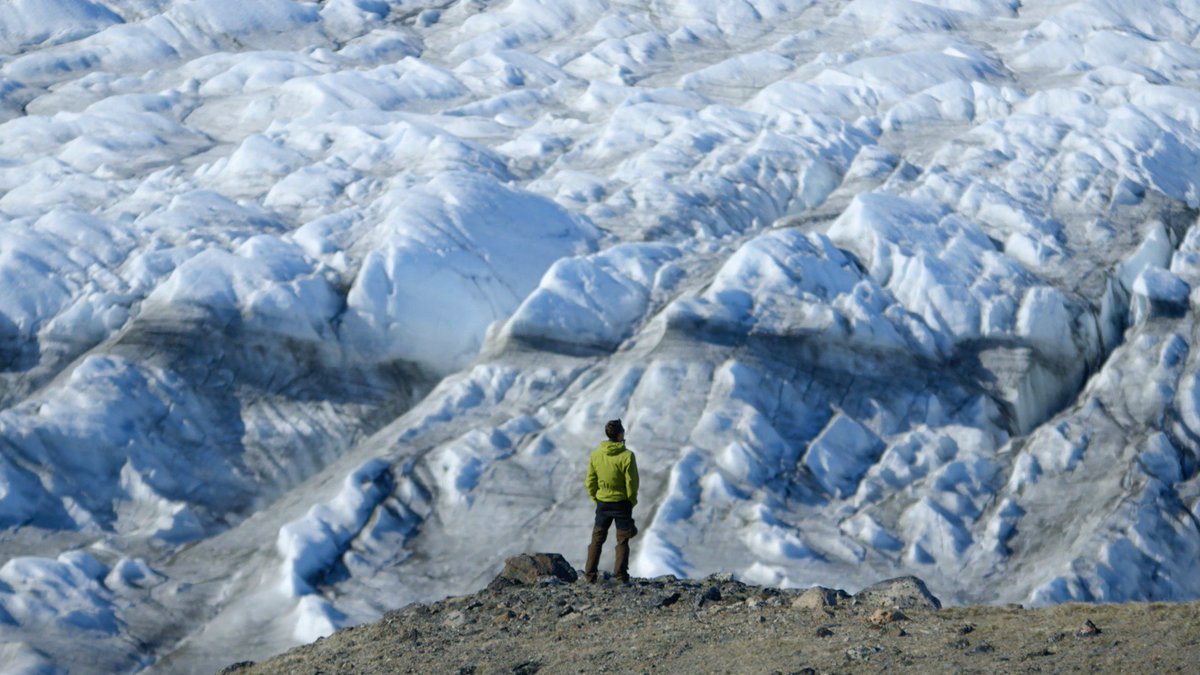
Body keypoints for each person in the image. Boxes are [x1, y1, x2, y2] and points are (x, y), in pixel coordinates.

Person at [584, 419, 639, 583]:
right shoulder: (627, 456)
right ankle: (621, 576)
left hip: (602, 502)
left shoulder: (596, 454)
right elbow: (632, 482)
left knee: (597, 539)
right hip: (622, 503)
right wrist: (631, 500)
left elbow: (590, 481)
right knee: (622, 541)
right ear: (620, 434)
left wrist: (596, 497)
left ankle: (589, 575)